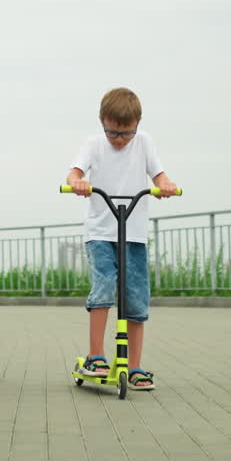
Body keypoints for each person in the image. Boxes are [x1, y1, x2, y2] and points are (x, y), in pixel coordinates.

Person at [65, 87, 177, 390]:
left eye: (126, 134)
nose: (119, 139)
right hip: (101, 232)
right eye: (113, 132)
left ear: (137, 125)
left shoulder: (144, 143)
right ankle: (96, 356)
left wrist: (165, 185)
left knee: (136, 297)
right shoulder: (92, 144)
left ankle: (136, 365)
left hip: (135, 235)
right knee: (103, 288)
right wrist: (78, 183)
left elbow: (160, 176)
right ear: (102, 121)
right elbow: (73, 174)